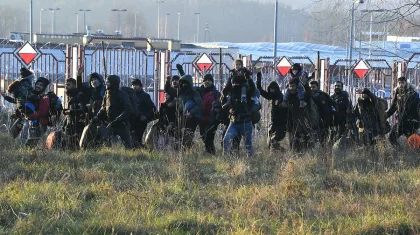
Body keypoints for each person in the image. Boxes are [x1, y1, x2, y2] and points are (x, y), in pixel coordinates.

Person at [94, 75, 134, 149]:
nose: (106, 83)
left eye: (108, 82)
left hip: (122, 124)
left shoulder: (121, 94)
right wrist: (96, 117)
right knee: (106, 143)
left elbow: (128, 109)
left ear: (113, 82)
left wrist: (118, 119)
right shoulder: (106, 94)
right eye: (106, 81)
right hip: (111, 123)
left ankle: (131, 158)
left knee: (128, 146)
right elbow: (103, 107)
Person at [223, 75, 254, 157]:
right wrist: (229, 80)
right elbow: (224, 93)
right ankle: (225, 159)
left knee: (248, 145)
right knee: (226, 140)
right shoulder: (230, 93)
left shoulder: (247, 92)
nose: (234, 85)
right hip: (234, 122)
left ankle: (251, 161)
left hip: (246, 122)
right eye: (233, 83)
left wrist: (249, 78)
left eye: (237, 84)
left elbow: (253, 88)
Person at [256, 71, 287, 150]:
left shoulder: (281, 98)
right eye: (270, 89)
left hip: (281, 125)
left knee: (274, 141)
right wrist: (258, 79)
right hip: (273, 123)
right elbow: (260, 90)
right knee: (269, 144)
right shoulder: (270, 97)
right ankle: (277, 155)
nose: (272, 91)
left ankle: (282, 152)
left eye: (273, 89)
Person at [386, 76, 420, 147]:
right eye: (400, 83)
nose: (401, 84)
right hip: (401, 121)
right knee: (391, 137)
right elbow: (394, 106)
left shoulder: (413, 94)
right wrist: (386, 116)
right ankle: (399, 152)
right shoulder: (398, 93)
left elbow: (416, 109)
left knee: (413, 142)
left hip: (410, 122)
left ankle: (412, 156)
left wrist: (416, 122)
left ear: (406, 83)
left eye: (403, 83)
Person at [286, 78, 313, 152]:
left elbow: (309, 94)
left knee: (306, 146)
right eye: (290, 86)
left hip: (304, 125)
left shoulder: (303, 95)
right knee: (293, 148)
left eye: (293, 86)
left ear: (297, 86)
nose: (291, 88)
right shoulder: (288, 97)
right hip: (292, 126)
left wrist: (305, 84)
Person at [177, 74, 203, 149]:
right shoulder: (180, 92)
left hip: (192, 118)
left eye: (185, 83)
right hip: (181, 117)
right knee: (179, 136)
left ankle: (189, 151)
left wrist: (191, 113)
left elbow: (200, 105)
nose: (183, 85)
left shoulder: (194, 93)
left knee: (188, 136)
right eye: (182, 83)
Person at [197, 74, 220, 154]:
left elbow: (218, 104)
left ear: (212, 82)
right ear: (203, 81)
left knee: (209, 137)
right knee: (203, 137)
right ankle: (209, 152)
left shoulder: (216, 93)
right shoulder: (199, 91)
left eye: (209, 80)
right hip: (201, 119)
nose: (207, 82)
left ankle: (211, 153)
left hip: (212, 119)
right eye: (205, 80)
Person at [62, 78, 89, 149]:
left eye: (68, 85)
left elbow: (84, 109)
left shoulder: (79, 95)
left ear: (74, 85)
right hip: (70, 123)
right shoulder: (70, 95)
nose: (66, 86)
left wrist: (71, 112)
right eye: (66, 85)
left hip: (78, 124)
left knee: (77, 144)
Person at [130, 79, 156, 148]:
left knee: (138, 138)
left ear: (140, 86)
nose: (134, 87)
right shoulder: (130, 96)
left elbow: (152, 108)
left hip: (141, 121)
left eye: (136, 85)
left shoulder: (145, 96)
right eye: (132, 85)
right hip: (132, 120)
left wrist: (146, 116)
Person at [310, 80, 335, 145]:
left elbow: (326, 111)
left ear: (317, 87)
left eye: (313, 87)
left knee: (321, 140)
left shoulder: (320, 96)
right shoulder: (311, 96)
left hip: (321, 122)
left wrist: (324, 124)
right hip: (315, 121)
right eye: (310, 87)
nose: (312, 89)